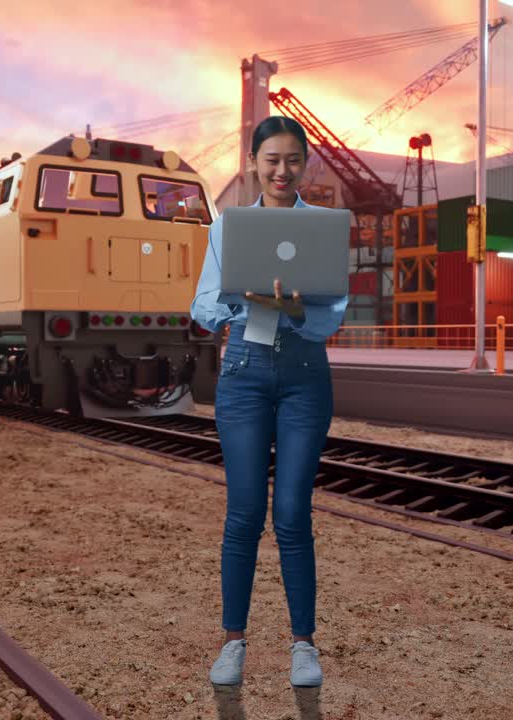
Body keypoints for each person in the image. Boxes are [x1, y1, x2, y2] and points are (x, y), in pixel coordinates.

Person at [190, 116, 348, 690]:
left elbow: (334, 314)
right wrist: (239, 298)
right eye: (272, 160)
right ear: (254, 162)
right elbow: (200, 305)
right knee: (245, 512)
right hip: (244, 376)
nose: (283, 171)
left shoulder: (326, 228)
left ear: (305, 165)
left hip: (306, 377)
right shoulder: (229, 227)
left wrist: (299, 309)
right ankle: (233, 643)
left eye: (293, 161)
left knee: (292, 515)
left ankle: (303, 645)